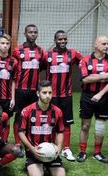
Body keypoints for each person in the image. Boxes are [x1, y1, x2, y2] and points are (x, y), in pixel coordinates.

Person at [77, 35, 108, 163]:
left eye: (107, 44)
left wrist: (100, 94)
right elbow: (85, 79)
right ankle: (82, 152)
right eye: (103, 44)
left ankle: (97, 153)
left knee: (100, 126)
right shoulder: (85, 60)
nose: (106, 46)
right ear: (96, 44)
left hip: (103, 96)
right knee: (85, 126)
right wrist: (105, 75)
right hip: (87, 96)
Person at [44, 30, 82, 161]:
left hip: (66, 95)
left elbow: (85, 63)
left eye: (65, 39)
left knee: (66, 122)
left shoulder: (73, 53)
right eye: (60, 39)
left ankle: (66, 148)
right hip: (51, 95)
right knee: (51, 121)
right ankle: (52, 146)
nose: (63, 41)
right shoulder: (47, 55)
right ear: (55, 40)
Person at [19, 80, 66, 176]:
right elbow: (21, 132)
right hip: (34, 151)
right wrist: (31, 148)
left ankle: (46, 166)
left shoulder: (57, 111)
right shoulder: (27, 111)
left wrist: (59, 147)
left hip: (51, 150)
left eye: (50, 92)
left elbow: (60, 131)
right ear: (38, 93)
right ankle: (34, 166)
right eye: (44, 93)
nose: (47, 96)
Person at [12, 24, 45, 148]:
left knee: (33, 116)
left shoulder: (40, 51)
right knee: (19, 116)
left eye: (35, 32)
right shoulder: (17, 50)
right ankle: (17, 143)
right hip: (20, 89)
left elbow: (41, 67)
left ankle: (30, 140)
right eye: (30, 32)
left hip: (34, 90)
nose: (33, 34)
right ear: (25, 34)